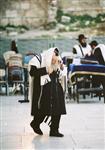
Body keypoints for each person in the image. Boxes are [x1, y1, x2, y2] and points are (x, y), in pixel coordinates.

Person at [29, 47, 66, 137]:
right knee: (43, 109)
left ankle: (54, 130)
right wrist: (45, 70)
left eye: (57, 55)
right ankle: (35, 123)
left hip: (56, 88)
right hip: (43, 89)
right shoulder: (38, 59)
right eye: (54, 55)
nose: (56, 58)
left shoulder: (58, 59)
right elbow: (32, 72)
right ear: (49, 55)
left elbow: (61, 73)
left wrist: (61, 68)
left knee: (58, 109)